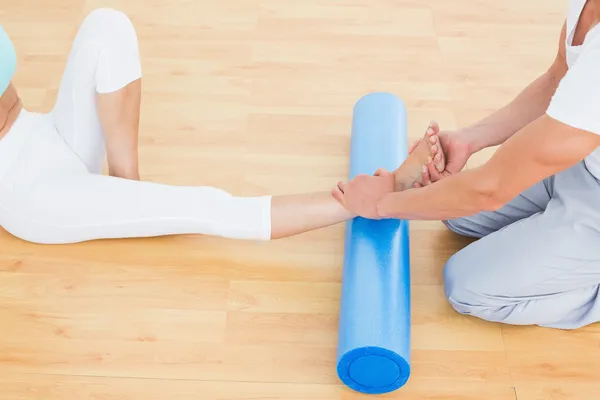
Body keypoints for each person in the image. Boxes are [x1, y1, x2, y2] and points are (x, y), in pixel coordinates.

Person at [0, 9, 444, 245]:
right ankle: (366, 201)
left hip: (42, 133)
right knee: (207, 205)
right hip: (29, 192)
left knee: (107, 25)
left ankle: (127, 186)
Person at [334, 0, 600, 330]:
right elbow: (556, 80)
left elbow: (490, 189)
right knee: (454, 212)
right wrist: (470, 139)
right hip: (582, 167)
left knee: (468, 286)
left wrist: (382, 205)